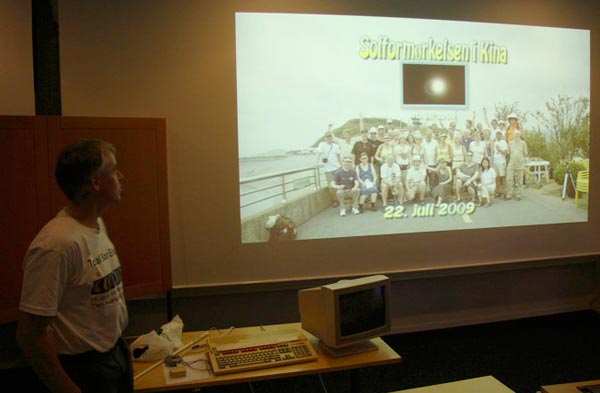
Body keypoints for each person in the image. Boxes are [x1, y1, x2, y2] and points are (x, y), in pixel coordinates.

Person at [16, 139, 132, 393]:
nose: (120, 176)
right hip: (83, 370)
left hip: (115, 355)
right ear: (96, 182)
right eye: (113, 170)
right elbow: (30, 336)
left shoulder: (96, 225)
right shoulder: (56, 245)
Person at [316, 130, 342, 207]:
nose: (329, 138)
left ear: (332, 137)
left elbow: (338, 156)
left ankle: (341, 199)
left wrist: (341, 166)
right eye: (327, 136)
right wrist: (316, 162)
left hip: (337, 168)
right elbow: (318, 153)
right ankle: (335, 201)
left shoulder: (335, 145)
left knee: (339, 184)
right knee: (331, 186)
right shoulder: (322, 145)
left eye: (330, 136)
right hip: (328, 169)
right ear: (325, 138)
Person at [506, 130, 528, 201]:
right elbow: (508, 153)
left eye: (518, 135)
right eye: (515, 135)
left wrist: (524, 160)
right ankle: (509, 193)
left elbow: (526, 153)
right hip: (512, 163)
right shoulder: (510, 143)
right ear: (513, 135)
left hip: (520, 163)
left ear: (520, 135)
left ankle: (518, 194)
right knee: (509, 178)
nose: (517, 136)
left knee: (519, 179)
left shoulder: (523, 143)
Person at [491, 130, 508, 197]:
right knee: (497, 177)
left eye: (499, 134)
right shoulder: (494, 142)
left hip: (501, 162)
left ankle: (504, 192)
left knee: (502, 177)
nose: (498, 136)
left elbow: (505, 153)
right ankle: (498, 191)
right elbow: (493, 152)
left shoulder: (504, 142)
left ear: (501, 135)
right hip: (495, 162)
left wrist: (499, 149)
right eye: (497, 134)